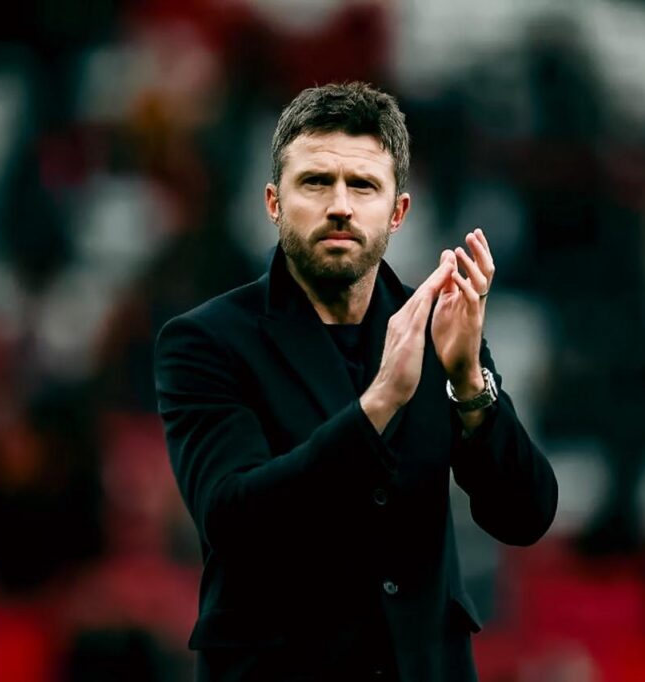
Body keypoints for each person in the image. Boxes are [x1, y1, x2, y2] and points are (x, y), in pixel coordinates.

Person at [154, 82, 558, 682]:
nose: (340, 206)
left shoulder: (439, 326)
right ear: (273, 203)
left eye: (363, 185)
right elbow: (234, 523)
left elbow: (525, 516)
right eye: (316, 182)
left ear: (398, 212)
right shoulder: (206, 341)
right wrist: (378, 404)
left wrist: (470, 384)